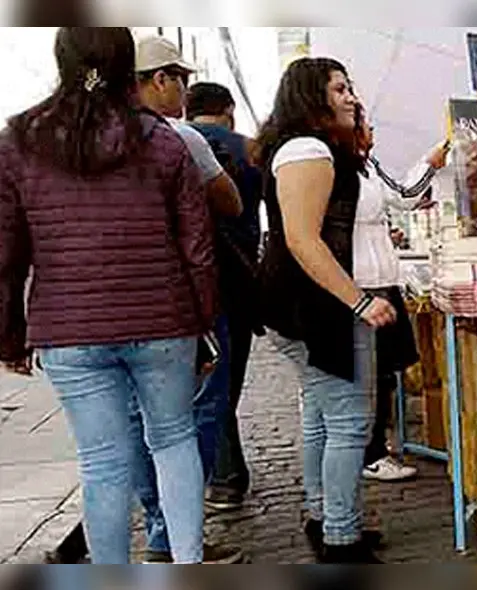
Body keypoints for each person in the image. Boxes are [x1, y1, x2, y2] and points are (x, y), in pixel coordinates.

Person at [0, 27, 215, 564]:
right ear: (127, 65)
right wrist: (205, 325)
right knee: (173, 440)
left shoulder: (18, 142)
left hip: (69, 330)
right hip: (163, 321)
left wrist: (9, 336)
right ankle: (187, 560)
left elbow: (6, 253)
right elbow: (198, 246)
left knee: (102, 462)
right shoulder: (161, 139)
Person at [254, 57, 396, 564]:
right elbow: (301, 238)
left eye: (350, 87)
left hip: (306, 305)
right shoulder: (307, 150)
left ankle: (326, 517)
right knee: (348, 421)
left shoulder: (312, 149)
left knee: (322, 415)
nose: (352, 97)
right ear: (311, 97)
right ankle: (341, 537)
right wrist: (358, 300)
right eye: (339, 89)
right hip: (317, 308)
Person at [132, 35, 245, 564]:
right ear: (160, 80)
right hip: (180, 302)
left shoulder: (73, 140)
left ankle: (158, 528)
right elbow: (230, 202)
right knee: (193, 416)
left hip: (104, 312)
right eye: (180, 78)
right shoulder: (180, 137)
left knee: (130, 427)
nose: (184, 89)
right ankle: (175, 540)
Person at [354, 113, 449, 484]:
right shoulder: (335, 165)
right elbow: (405, 196)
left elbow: (403, 197)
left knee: (384, 370)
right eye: (366, 123)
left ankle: (373, 447)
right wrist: (430, 162)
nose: (374, 131)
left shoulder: (366, 164)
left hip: (381, 278)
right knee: (372, 373)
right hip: (364, 285)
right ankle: (370, 451)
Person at [186, 81, 264, 511]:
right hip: (240, 278)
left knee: (206, 384)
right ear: (229, 109)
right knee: (225, 383)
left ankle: (225, 474)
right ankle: (226, 475)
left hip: (191, 282)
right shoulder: (250, 149)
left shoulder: (175, 144)